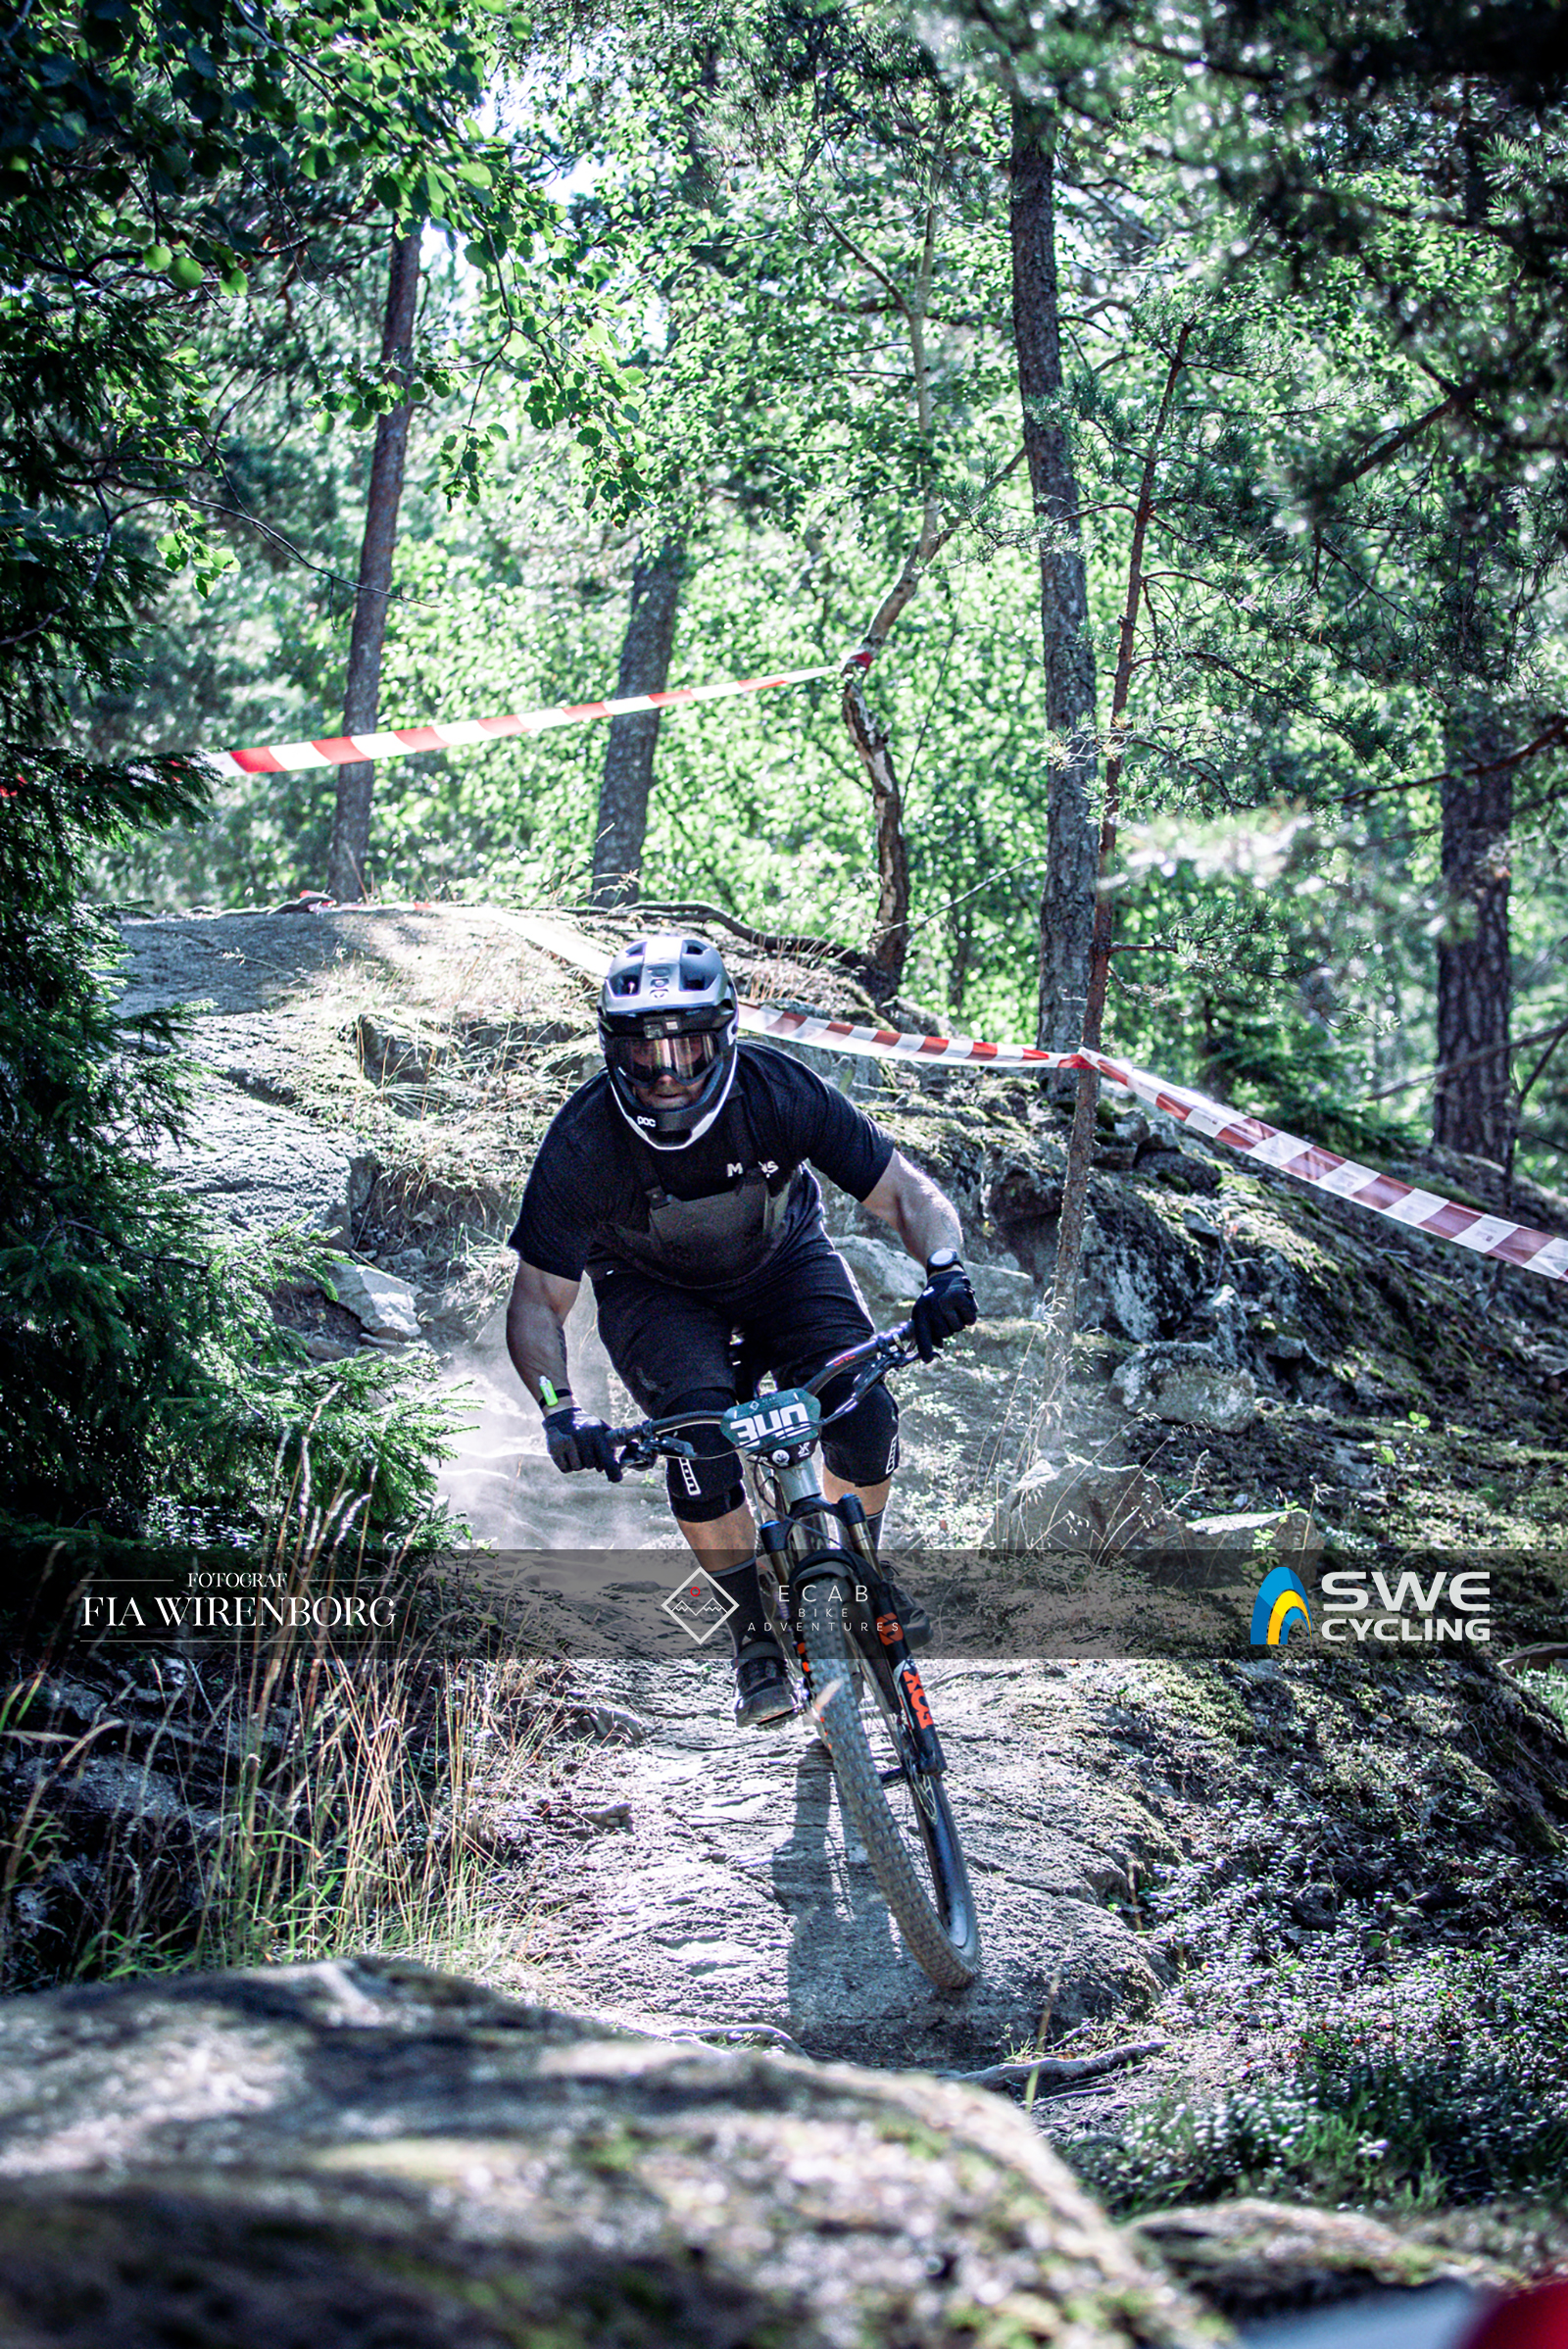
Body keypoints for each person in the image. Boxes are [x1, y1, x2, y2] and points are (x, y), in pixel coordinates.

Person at [505, 932, 979, 1727]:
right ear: (612, 1051)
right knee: (698, 1442)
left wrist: (946, 1268)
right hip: (652, 1293)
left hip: (784, 1261)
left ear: (724, 1036)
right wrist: (560, 1409)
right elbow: (536, 1301)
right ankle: (750, 1631)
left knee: (864, 1411)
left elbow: (903, 1192)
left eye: (687, 1049)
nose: (668, 1075)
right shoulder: (583, 1143)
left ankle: (858, 1564)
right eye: (646, 1054)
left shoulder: (777, 1090)